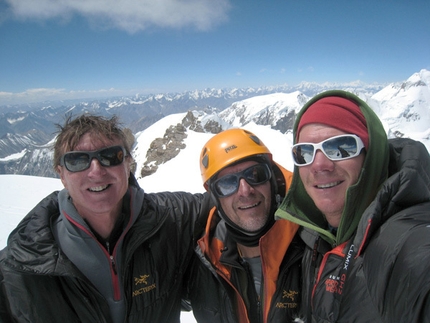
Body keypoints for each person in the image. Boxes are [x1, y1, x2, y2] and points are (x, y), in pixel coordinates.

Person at [0, 114, 211, 323]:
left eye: (110, 156)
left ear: (128, 164)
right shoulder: (20, 265)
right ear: (61, 174)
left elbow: (229, 204)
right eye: (77, 160)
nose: (96, 171)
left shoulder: (171, 219)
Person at [275, 90, 430, 322]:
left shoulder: (404, 244)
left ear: (371, 156)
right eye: (304, 152)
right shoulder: (313, 234)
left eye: (341, 147)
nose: (319, 165)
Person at [186, 128, 304, 323]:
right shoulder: (204, 262)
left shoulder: (313, 247)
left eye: (255, 174)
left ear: (272, 179)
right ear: (215, 198)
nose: (245, 190)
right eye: (227, 183)